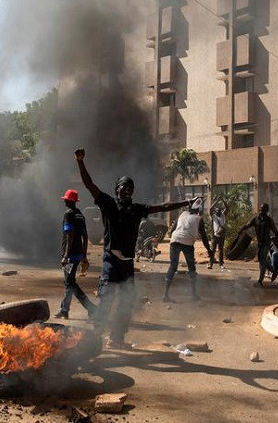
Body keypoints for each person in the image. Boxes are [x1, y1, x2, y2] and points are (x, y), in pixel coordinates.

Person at [75, 148, 199, 349]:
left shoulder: (136, 209)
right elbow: (89, 184)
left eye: (131, 188)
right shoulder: (108, 204)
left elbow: (163, 206)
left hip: (127, 264)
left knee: (126, 302)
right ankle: (93, 340)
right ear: (117, 189)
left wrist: (186, 202)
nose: (128, 190)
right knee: (106, 300)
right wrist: (80, 161)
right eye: (125, 186)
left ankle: (116, 339)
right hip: (110, 260)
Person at [53, 189, 97, 320]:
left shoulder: (69, 214)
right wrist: (84, 255)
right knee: (69, 282)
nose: (65, 201)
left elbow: (70, 235)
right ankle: (64, 310)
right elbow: (85, 236)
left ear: (69, 201)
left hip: (70, 256)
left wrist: (66, 256)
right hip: (78, 255)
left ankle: (91, 308)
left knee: (70, 283)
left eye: (66, 200)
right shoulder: (80, 215)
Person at [163, 199, 213, 302]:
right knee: (191, 268)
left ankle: (165, 295)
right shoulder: (199, 219)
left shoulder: (182, 215)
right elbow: (204, 237)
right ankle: (194, 295)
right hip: (188, 242)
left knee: (173, 266)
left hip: (175, 240)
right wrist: (209, 250)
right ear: (198, 210)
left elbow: (172, 230)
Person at [238, 203, 278, 286]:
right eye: (260, 209)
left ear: (266, 211)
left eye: (263, 209)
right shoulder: (255, 219)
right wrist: (241, 230)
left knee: (262, 261)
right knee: (262, 260)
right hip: (260, 243)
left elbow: (275, 231)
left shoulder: (269, 220)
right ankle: (274, 271)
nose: (261, 211)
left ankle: (260, 281)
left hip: (266, 243)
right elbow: (247, 225)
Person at [209, 199, 228, 271]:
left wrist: (223, 201)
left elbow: (227, 208)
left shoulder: (223, 215)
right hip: (215, 236)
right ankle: (210, 263)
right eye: (217, 211)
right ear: (215, 212)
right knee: (213, 250)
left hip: (221, 236)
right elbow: (210, 209)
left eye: (219, 211)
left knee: (221, 250)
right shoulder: (213, 216)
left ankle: (221, 264)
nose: (218, 212)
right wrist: (216, 201)